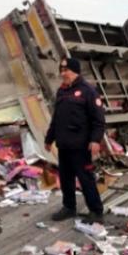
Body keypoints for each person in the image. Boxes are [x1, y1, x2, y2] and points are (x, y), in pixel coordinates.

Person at [44, 57, 106, 223]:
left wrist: (95, 140)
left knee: (86, 179)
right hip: (64, 145)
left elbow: (98, 120)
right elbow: (56, 118)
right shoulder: (62, 92)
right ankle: (69, 207)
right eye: (61, 70)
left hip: (81, 146)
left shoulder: (88, 91)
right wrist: (49, 139)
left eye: (66, 70)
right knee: (66, 179)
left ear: (75, 71)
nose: (63, 73)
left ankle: (96, 211)